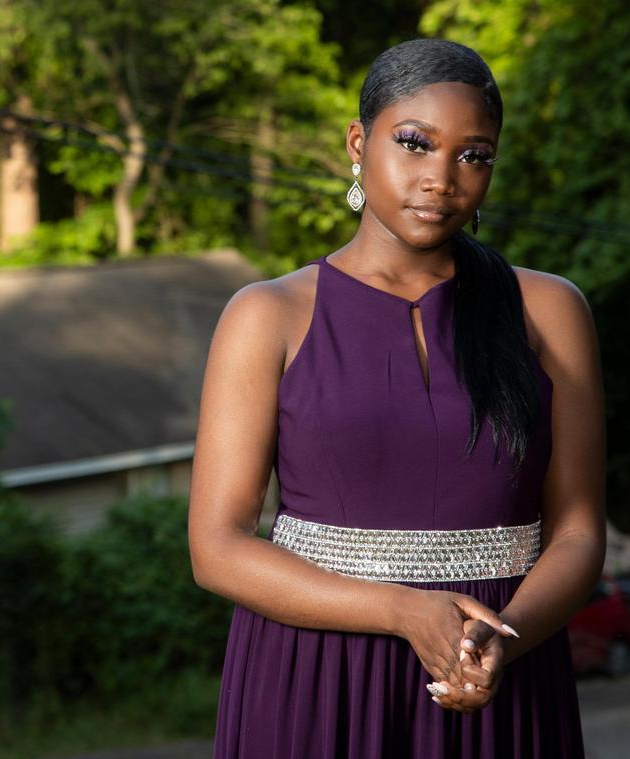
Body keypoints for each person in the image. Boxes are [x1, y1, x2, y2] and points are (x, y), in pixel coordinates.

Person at [187, 37, 605, 758]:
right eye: (415, 144)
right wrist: (405, 612)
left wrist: (495, 639)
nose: (442, 178)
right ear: (358, 141)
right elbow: (216, 547)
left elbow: (578, 531)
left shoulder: (549, 311)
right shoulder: (268, 314)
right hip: (312, 679)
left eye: (474, 155)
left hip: (497, 670)